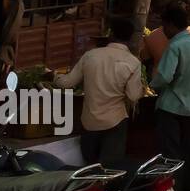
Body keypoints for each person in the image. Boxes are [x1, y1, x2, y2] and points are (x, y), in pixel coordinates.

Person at [53, 16, 143, 166]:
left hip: (90, 123)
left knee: (90, 167)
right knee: (110, 170)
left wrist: (54, 76)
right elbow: (133, 96)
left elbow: (67, 83)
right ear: (130, 38)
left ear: (111, 35)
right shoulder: (133, 62)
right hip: (115, 122)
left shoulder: (90, 55)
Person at [149, 2, 190, 167]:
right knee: (183, 153)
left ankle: (170, 187)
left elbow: (164, 77)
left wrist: (152, 85)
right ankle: (181, 187)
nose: (163, 31)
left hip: (171, 108)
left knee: (169, 155)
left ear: (170, 24)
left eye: (164, 27)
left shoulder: (175, 45)